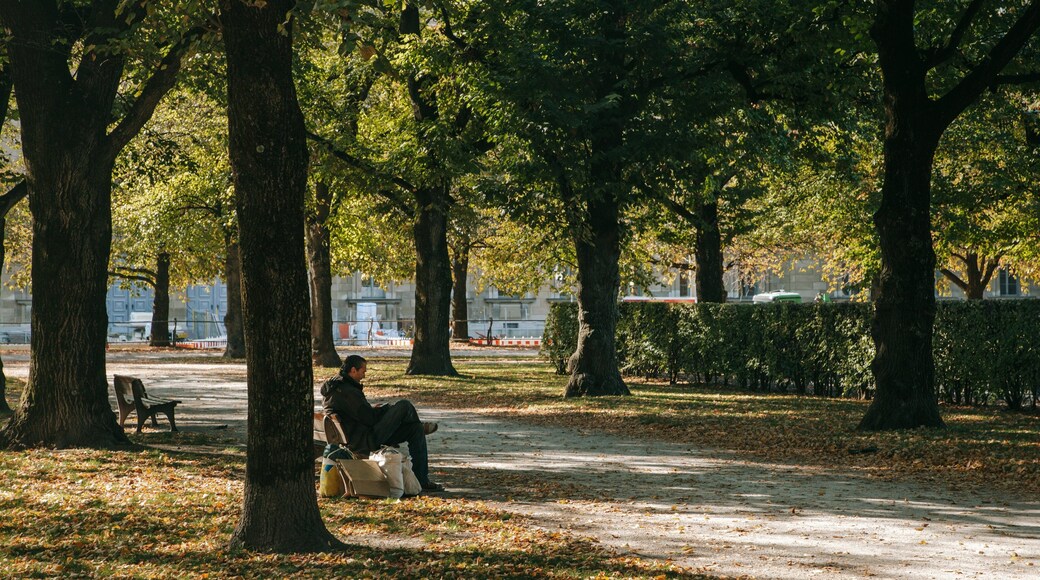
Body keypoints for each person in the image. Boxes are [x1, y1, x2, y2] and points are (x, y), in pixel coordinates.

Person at [321, 355, 445, 492]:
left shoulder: (336, 388)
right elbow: (370, 419)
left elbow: (359, 414)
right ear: (353, 370)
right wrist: (384, 410)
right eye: (363, 371)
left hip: (356, 437)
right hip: (365, 440)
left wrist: (375, 410)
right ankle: (422, 476)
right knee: (404, 405)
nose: (364, 375)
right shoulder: (348, 392)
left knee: (415, 430)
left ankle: (421, 479)